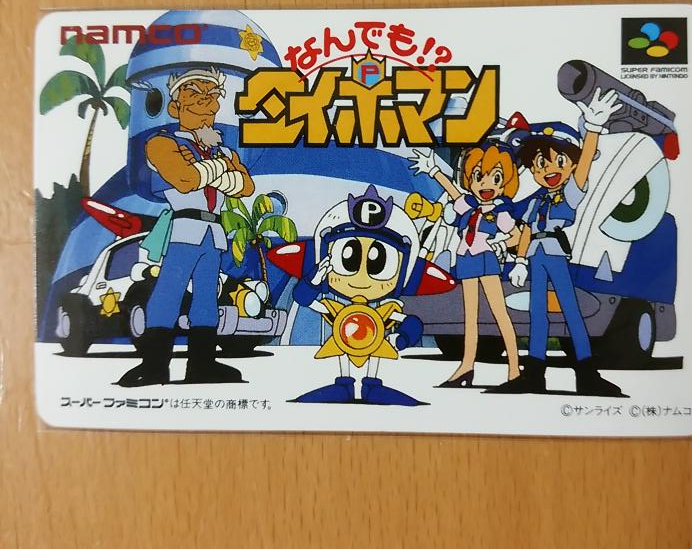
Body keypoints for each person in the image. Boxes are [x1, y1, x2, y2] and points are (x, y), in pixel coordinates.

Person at [116, 67, 255, 387]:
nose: (206, 103)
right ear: (175, 107)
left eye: (212, 97)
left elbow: (245, 186)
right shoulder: (161, 144)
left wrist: (214, 170)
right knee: (168, 292)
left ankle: (202, 365)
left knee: (206, 299)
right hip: (185, 228)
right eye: (195, 96)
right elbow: (185, 179)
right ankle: (153, 366)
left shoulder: (222, 149)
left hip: (213, 232)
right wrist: (221, 171)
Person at [492, 88, 625, 396]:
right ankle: (534, 373)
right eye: (539, 165)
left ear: (571, 163)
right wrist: (519, 260)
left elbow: (586, 161)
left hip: (555, 254)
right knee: (537, 313)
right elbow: (525, 228)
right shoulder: (536, 199)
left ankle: (587, 373)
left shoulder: (571, 192)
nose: (547, 170)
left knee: (570, 310)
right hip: (535, 256)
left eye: (557, 161)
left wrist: (593, 129)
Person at [268, 185, 446, 405]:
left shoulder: (385, 310)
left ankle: (372, 384)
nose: (361, 276)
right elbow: (303, 298)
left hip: (377, 341)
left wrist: (400, 339)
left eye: (378, 264)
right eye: (349, 260)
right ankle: (344, 383)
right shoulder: (336, 308)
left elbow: (412, 323)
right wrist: (314, 279)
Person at [409, 144, 521, 388]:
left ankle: (514, 370)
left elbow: (517, 236)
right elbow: (453, 192)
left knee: (500, 313)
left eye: (495, 177)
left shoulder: (500, 212)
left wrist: (500, 244)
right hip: (466, 259)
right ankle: (466, 366)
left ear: (505, 183)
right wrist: (433, 170)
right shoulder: (469, 206)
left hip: (486, 259)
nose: (485, 184)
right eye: (479, 176)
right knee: (470, 317)